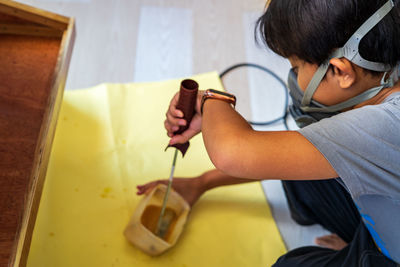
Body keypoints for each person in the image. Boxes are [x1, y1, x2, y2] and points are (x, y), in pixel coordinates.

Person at [137, 0, 400, 266]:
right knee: (301, 173)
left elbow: (233, 152)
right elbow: (283, 154)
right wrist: (202, 183)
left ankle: (367, 248)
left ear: (339, 71)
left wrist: (211, 99)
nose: (294, 78)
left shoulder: (384, 126)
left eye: (296, 67)